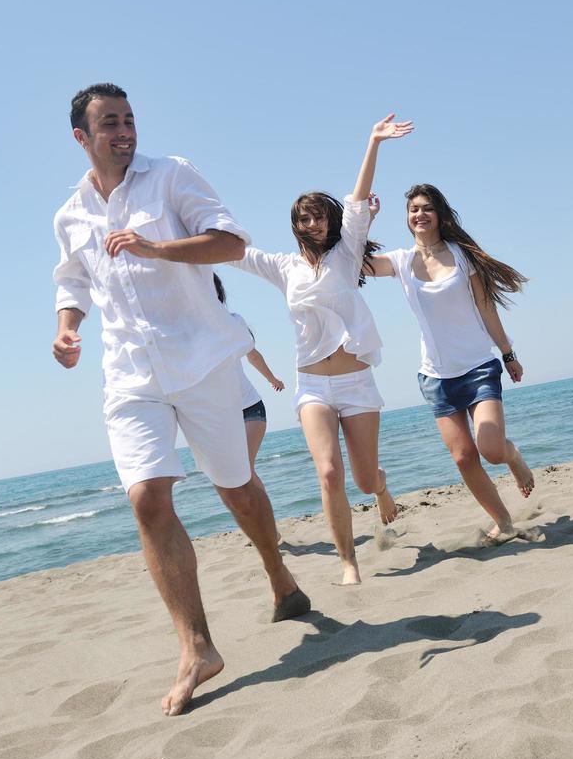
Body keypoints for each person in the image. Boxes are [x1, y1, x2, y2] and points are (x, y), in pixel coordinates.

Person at [51, 83, 310, 716]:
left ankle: (279, 575)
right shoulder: (70, 215)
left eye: (129, 120)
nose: (124, 131)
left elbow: (231, 243)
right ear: (82, 138)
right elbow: (73, 280)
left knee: (235, 485)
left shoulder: (171, 176)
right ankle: (197, 647)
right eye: (109, 123)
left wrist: (156, 247)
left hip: (200, 361)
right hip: (130, 374)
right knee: (147, 496)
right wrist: (66, 326)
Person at [230, 114, 409, 586]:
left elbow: (356, 202)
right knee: (329, 473)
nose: (312, 222)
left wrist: (373, 141)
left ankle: (382, 487)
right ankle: (348, 560)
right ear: (294, 226)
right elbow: (234, 252)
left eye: (318, 215)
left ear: (330, 220)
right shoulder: (284, 267)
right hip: (312, 384)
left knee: (364, 481)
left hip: (355, 383)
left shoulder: (347, 256)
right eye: (302, 218)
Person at [366, 183, 538, 541]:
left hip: (477, 367)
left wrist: (507, 353)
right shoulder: (400, 262)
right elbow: (355, 264)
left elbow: (486, 308)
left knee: (490, 449)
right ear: (407, 218)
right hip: (435, 377)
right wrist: (366, 220)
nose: (420, 214)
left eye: (427, 208)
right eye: (413, 209)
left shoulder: (462, 256)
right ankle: (504, 522)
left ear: (440, 214)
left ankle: (514, 456)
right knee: (463, 457)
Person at [212, 274, 286, 483]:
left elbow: (252, 353)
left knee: (244, 468)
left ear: (217, 292)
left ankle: (263, 516)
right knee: (232, 475)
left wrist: (272, 378)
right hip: (219, 415)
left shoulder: (234, 322)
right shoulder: (191, 330)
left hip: (250, 407)